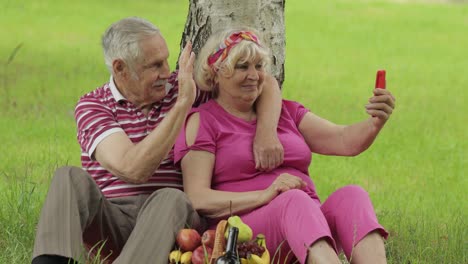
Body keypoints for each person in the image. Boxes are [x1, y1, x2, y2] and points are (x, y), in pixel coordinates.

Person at [31, 18, 283, 264]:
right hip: (113, 218)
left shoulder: (182, 87)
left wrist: (266, 132)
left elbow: (265, 83)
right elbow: (133, 169)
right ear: (120, 68)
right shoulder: (94, 105)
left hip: (172, 222)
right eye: (154, 66)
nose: (166, 72)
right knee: (68, 177)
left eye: (165, 60)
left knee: (171, 197)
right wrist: (182, 105)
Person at [174, 28, 395, 264]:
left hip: (308, 224)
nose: (253, 75)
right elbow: (197, 197)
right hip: (246, 232)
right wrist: (266, 195)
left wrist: (375, 123)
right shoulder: (203, 120)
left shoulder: (284, 112)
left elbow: (344, 140)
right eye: (242, 67)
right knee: (295, 200)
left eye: (259, 66)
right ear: (216, 72)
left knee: (353, 196)